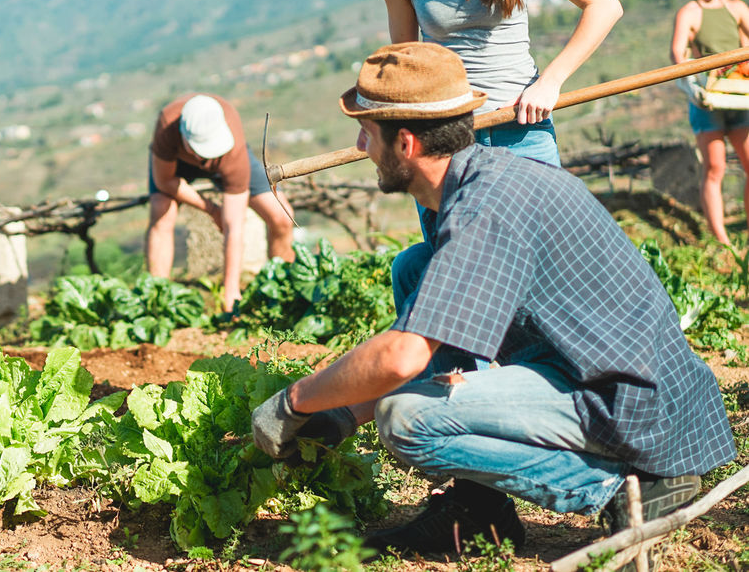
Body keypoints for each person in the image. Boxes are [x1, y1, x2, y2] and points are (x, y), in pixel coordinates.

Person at [251, 43, 734, 560]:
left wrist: (295, 401)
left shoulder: (485, 208)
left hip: (634, 406)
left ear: (406, 143)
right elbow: (431, 344)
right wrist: (344, 415)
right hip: (595, 373)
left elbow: (403, 357)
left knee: (405, 419)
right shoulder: (474, 183)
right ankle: (480, 511)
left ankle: (624, 489)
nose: (360, 144)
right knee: (415, 267)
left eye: (367, 132)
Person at [380, 0, 623, 313]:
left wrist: (549, 82)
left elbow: (603, 4)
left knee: (550, 266)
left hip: (522, 130)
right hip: (446, 144)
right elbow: (406, 65)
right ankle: (451, 360)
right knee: (457, 276)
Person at [146, 93, 295, 312]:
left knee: (281, 217)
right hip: (176, 165)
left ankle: (284, 289)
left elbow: (233, 226)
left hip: (226, 160)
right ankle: (157, 301)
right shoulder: (167, 125)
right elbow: (165, 181)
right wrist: (211, 209)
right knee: (161, 212)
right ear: (185, 138)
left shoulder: (231, 146)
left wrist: (231, 291)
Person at [670, 0, 749, 246]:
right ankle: (722, 241)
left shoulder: (736, 8)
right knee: (715, 167)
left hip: (740, 97)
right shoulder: (689, 12)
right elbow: (677, 54)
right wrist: (692, 83)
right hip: (708, 100)